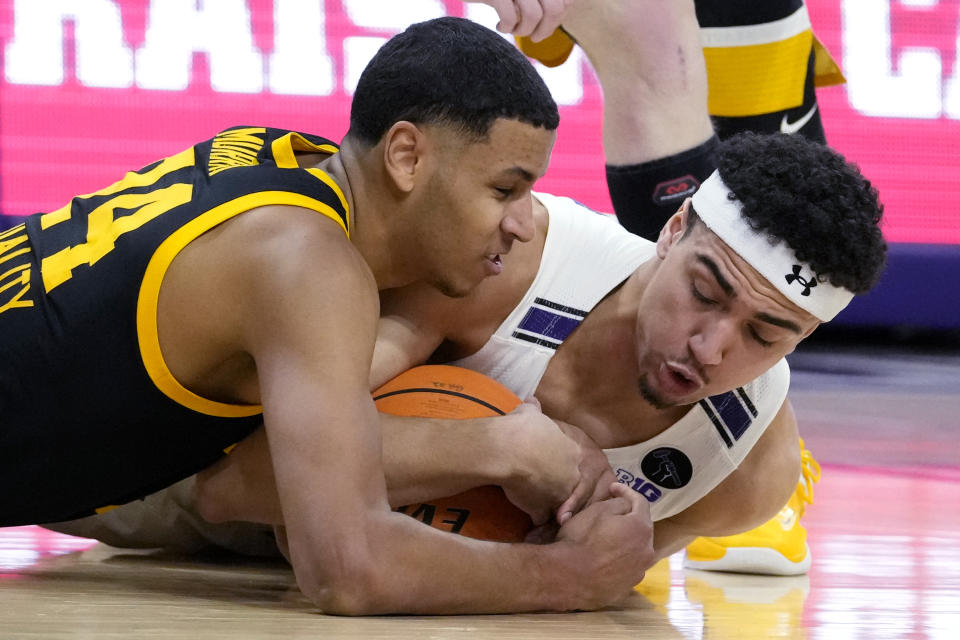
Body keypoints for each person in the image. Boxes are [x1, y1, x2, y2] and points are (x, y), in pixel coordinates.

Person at [47, 1, 885, 577]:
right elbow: (242, 484)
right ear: (667, 233)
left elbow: (584, 585)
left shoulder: (749, 475)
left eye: (766, 335)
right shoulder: (504, 266)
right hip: (200, 470)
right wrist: (495, 452)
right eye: (705, 292)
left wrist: (565, 560)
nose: (712, 346)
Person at [0, 17, 659, 614]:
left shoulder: (279, 159)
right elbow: (349, 570)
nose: (522, 224)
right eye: (504, 189)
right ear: (406, 156)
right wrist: (570, 576)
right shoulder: (309, 265)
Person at [515, 0, 847, 575]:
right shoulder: (528, 246)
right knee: (644, 40)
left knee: (697, 53)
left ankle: (721, 457)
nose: (713, 344)